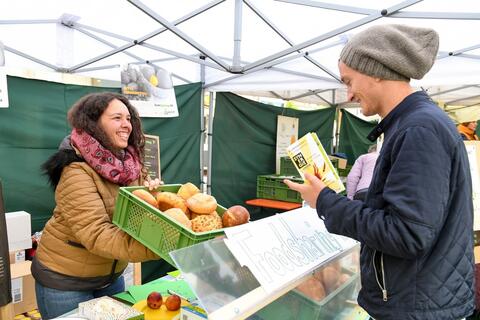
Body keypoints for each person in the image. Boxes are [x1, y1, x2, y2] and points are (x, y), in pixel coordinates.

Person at [285, 24, 474, 319]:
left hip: (417, 309)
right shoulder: (412, 124)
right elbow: (411, 215)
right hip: (420, 301)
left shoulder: (419, 129)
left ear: (375, 69)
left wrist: (325, 201)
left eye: (349, 81)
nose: (348, 94)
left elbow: (407, 234)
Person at [32, 92, 162, 319]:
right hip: (65, 282)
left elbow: (134, 216)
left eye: (128, 119)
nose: (126, 125)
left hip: (110, 277)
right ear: (93, 123)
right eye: (117, 118)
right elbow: (96, 233)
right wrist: (157, 247)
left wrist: (154, 199)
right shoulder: (75, 169)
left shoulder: (129, 165)